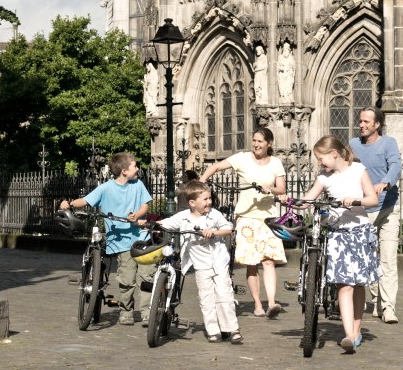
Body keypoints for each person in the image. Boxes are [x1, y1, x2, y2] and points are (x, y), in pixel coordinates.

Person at [298, 135, 379, 353]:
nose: (319, 163)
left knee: (358, 284)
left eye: (321, 158)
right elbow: (308, 200)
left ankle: (356, 329)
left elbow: (373, 199)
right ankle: (349, 336)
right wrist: (292, 202)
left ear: (335, 154)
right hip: (337, 233)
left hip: (359, 231)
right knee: (344, 284)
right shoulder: (324, 178)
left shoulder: (358, 170)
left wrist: (355, 201)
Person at [199, 127, 286, 319]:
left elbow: (282, 189)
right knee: (252, 263)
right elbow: (215, 167)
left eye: (260, 142)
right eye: (254, 140)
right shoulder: (242, 158)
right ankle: (257, 304)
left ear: (269, 144)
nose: (256, 144)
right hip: (246, 217)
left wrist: (270, 188)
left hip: (268, 217)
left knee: (269, 261)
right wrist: (202, 181)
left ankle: (271, 302)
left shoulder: (276, 163)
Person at [59, 152, 155, 327]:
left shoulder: (138, 184)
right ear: (124, 171)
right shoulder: (106, 188)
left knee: (147, 276)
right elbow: (86, 200)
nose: (138, 168)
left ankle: (147, 312)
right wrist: (70, 204)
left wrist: (138, 215)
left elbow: (145, 204)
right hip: (121, 240)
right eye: (135, 166)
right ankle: (126, 311)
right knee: (127, 278)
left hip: (142, 237)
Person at [154, 180, 243, 344]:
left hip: (218, 261)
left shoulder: (214, 214)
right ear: (192, 203)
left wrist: (214, 232)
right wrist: (147, 222)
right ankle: (213, 330)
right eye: (205, 199)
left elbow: (228, 228)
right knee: (206, 298)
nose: (209, 202)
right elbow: (166, 223)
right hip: (201, 265)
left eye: (209, 198)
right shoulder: (184, 217)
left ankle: (232, 329)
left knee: (224, 295)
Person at [349, 106, 402, 324]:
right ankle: (377, 298)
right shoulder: (353, 145)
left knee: (388, 259)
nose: (361, 125)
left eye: (366, 122)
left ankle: (388, 308)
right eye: (360, 121)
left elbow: (396, 165)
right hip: (364, 210)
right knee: (368, 259)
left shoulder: (388, 143)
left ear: (377, 125)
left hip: (388, 207)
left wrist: (385, 182)